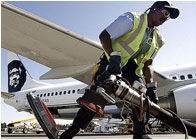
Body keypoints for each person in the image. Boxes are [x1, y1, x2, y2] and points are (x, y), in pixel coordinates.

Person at [60, 1, 179, 139]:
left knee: (142, 96)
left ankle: (140, 133)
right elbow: (104, 35)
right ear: (154, 8)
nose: (166, 18)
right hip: (113, 58)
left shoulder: (158, 39)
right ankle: (70, 132)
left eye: (169, 16)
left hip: (132, 68)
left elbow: (148, 64)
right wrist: (113, 57)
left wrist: (151, 85)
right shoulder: (132, 19)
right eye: (165, 13)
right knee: (100, 91)